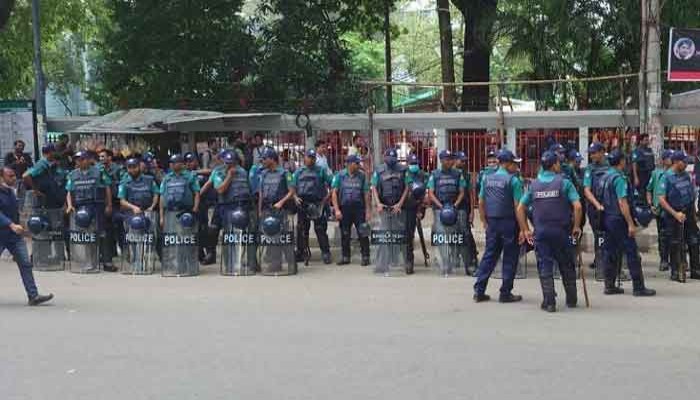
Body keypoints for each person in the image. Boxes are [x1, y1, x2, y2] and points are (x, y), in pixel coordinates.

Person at [516, 151, 582, 312]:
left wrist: (525, 229)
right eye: (558, 163)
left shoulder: (534, 185)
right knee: (566, 264)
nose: (560, 165)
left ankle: (550, 301)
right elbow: (578, 206)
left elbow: (520, 208)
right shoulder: (564, 183)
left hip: (541, 232)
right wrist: (576, 226)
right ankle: (572, 299)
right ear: (554, 165)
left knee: (544, 265)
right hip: (561, 232)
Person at [599, 149, 656, 296]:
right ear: (621, 162)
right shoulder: (619, 179)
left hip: (607, 218)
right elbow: (622, 203)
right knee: (631, 253)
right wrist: (631, 224)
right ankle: (639, 287)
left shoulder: (605, 177)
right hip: (619, 219)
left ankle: (609, 285)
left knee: (610, 251)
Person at [473, 149, 524, 303]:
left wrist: (484, 221)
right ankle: (505, 293)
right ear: (507, 164)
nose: (516, 167)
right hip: (509, 223)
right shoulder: (513, 181)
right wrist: (523, 228)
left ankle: (479, 291)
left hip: (492, 223)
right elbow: (518, 207)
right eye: (514, 163)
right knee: (509, 257)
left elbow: (481, 202)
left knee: (489, 256)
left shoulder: (487, 179)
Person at [0, 167, 54, 305]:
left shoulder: (12, 191)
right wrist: (11, 224)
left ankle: (33, 296)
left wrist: (20, 227)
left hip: (14, 236)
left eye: (14, 175)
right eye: (10, 176)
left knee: (25, 263)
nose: (13, 178)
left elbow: (15, 212)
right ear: (1, 177)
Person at [65, 150, 113, 272]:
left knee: (101, 234)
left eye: (82, 159)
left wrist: (109, 205)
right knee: (86, 235)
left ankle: (107, 262)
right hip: (81, 206)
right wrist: (70, 205)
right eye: (77, 159)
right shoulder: (73, 174)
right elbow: (69, 191)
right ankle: (89, 262)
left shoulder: (99, 171)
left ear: (88, 160)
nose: (79, 162)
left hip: (97, 205)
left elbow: (107, 187)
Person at [658, 150, 700, 281]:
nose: (686, 164)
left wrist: (693, 214)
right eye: (684, 161)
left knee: (694, 241)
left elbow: (691, 196)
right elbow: (662, 200)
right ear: (676, 162)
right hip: (673, 214)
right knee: (675, 243)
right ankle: (676, 271)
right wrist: (675, 214)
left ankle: (695, 270)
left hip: (687, 212)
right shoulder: (666, 177)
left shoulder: (686, 176)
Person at [427, 150, 467, 275]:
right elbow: (431, 193)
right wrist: (441, 207)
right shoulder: (435, 174)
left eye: (451, 159)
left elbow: (461, 191)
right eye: (446, 159)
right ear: (441, 160)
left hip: (454, 210)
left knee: (454, 236)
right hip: (439, 211)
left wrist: (454, 206)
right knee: (441, 237)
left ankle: (454, 261)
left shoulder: (458, 174)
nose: (449, 161)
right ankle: (445, 263)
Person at [291, 149, 333, 264]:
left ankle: (326, 253)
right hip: (303, 203)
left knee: (320, 229)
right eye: (309, 157)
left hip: (317, 203)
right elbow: (292, 186)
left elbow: (333, 184)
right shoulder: (299, 172)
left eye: (313, 157)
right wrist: (295, 197)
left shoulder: (321, 170)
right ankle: (301, 253)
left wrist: (326, 198)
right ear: (305, 158)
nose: (311, 159)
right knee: (301, 229)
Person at [332, 155, 371, 266]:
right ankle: (345, 256)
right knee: (345, 233)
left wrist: (368, 211)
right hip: (344, 208)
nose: (359, 165)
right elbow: (334, 193)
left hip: (359, 209)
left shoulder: (362, 176)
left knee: (363, 232)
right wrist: (336, 210)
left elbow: (366, 193)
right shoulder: (340, 175)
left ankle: (365, 256)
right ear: (349, 164)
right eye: (356, 163)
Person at [185, 152, 216, 265]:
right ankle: (199, 254)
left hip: (203, 205)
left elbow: (212, 171)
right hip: (191, 206)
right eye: (187, 162)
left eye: (191, 161)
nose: (189, 164)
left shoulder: (202, 173)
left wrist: (196, 172)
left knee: (205, 230)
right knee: (193, 230)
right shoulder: (184, 175)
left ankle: (209, 254)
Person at [582, 142, 609, 270]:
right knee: (598, 234)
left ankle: (607, 259)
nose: (592, 156)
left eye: (594, 153)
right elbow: (586, 190)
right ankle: (599, 258)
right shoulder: (590, 169)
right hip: (595, 208)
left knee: (609, 234)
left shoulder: (611, 166)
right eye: (591, 153)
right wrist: (597, 205)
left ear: (602, 152)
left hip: (610, 206)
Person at [646, 149, 674, 272]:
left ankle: (676, 261)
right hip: (660, 210)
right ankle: (664, 260)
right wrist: (650, 204)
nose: (671, 160)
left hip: (674, 209)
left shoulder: (676, 172)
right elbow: (649, 189)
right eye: (669, 158)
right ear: (664, 160)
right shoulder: (656, 173)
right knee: (663, 236)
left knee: (675, 236)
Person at [98, 149, 123, 271]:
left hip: (116, 202)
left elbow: (121, 182)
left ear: (110, 157)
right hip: (104, 202)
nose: (101, 159)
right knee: (106, 229)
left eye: (103, 156)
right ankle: (109, 254)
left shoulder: (117, 169)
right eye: (100, 157)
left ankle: (124, 253)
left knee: (118, 227)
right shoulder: (98, 169)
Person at [159, 154, 201, 227]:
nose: (171, 164)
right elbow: (162, 197)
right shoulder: (166, 178)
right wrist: (161, 217)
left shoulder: (190, 176)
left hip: (186, 212)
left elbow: (197, 193)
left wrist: (195, 209)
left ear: (181, 164)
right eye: (171, 162)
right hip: (170, 213)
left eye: (174, 162)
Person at [454, 150, 477, 274]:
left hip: (464, 207)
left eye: (464, 161)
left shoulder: (467, 175)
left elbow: (471, 193)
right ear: (455, 160)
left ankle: (472, 258)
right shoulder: (450, 174)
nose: (463, 163)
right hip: (450, 208)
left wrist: (472, 212)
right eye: (461, 160)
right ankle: (455, 258)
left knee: (466, 234)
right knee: (453, 234)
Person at [404, 154, 427, 272]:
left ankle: (413, 259)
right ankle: (407, 260)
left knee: (413, 235)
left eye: (415, 163)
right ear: (408, 164)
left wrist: (421, 209)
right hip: (406, 207)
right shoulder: (404, 174)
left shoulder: (423, 175)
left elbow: (425, 193)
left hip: (417, 207)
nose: (414, 166)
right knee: (407, 235)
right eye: (412, 163)